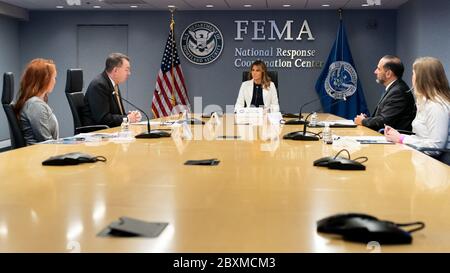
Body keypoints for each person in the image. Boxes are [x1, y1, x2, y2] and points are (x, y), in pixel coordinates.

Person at [385, 57, 450, 154]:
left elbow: (435, 147)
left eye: (413, 73)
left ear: (422, 78)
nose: (412, 77)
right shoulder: (424, 102)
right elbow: (422, 138)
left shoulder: (436, 106)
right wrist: (398, 136)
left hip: (435, 164)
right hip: (422, 158)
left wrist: (402, 139)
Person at [354, 55, 416, 131]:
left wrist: (363, 121)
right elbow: (385, 116)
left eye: (379, 69)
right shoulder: (395, 88)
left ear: (388, 73)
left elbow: (385, 121)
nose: (375, 71)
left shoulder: (398, 92)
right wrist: (367, 119)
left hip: (394, 141)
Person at [85, 53, 141, 127]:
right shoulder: (99, 85)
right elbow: (103, 119)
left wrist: (130, 116)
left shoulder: (113, 84)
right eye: (126, 70)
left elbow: (115, 114)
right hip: (97, 134)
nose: (129, 73)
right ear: (115, 70)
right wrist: (127, 118)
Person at [14, 58, 59, 145]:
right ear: (44, 80)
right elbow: (47, 142)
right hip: (41, 156)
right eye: (54, 77)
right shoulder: (35, 105)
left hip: (43, 154)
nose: (55, 81)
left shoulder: (35, 103)